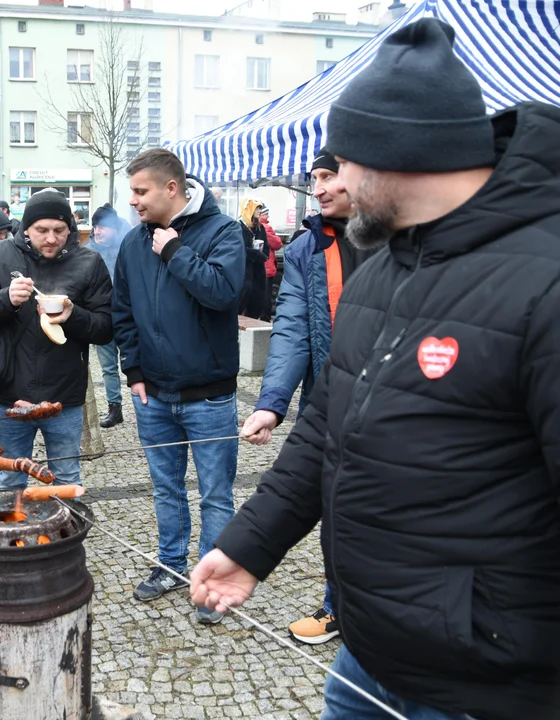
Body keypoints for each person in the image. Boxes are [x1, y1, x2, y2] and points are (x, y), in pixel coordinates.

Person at [191, 18, 560, 720]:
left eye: (343, 165)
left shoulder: (545, 278)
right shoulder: (379, 266)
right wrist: (248, 547)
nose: (334, 184)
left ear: (397, 154)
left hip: (483, 686)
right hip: (369, 657)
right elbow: (325, 426)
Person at [239, 148, 373, 646]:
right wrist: (271, 403)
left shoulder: (406, 240)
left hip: (394, 405)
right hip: (330, 403)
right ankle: (336, 606)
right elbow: (292, 329)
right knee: (333, 507)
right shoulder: (306, 247)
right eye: (313, 177)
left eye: (328, 176)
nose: (316, 188)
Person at [112, 149, 243, 620]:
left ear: (172, 188)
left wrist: (173, 251)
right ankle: (170, 565)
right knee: (166, 488)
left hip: (209, 395)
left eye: (140, 191)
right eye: (132, 191)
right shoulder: (132, 243)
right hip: (154, 396)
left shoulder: (224, 230)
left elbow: (223, 291)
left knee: (215, 492)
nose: (133, 201)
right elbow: (122, 312)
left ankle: (214, 582)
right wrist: (135, 372)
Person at [0, 189, 113, 489]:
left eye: (59, 230)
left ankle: (66, 536)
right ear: (25, 227)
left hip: (64, 396)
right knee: (11, 477)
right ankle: (12, 536)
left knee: (66, 479)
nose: (51, 239)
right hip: (11, 393)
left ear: (71, 229)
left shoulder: (89, 263)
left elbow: (106, 328)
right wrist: (6, 298)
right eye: (42, 230)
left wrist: (73, 315)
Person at [88, 203, 130, 429]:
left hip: (127, 318)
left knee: (135, 363)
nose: (98, 231)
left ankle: (144, 405)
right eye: (95, 226)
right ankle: (115, 407)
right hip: (101, 318)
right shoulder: (89, 252)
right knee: (107, 367)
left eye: (103, 226)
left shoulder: (129, 247)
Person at [237, 199, 269, 319]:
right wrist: (255, 254)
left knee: (257, 303)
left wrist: (262, 255)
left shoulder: (260, 228)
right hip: (244, 271)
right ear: (248, 209)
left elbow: (266, 250)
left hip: (258, 272)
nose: (260, 211)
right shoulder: (238, 227)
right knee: (241, 301)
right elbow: (239, 249)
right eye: (257, 208)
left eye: (260, 208)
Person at [257, 205, 283, 320]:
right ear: (262, 214)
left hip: (258, 265)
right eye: (266, 214)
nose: (268, 216)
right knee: (266, 294)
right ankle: (265, 317)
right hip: (267, 266)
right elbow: (277, 244)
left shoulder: (253, 225)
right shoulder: (266, 227)